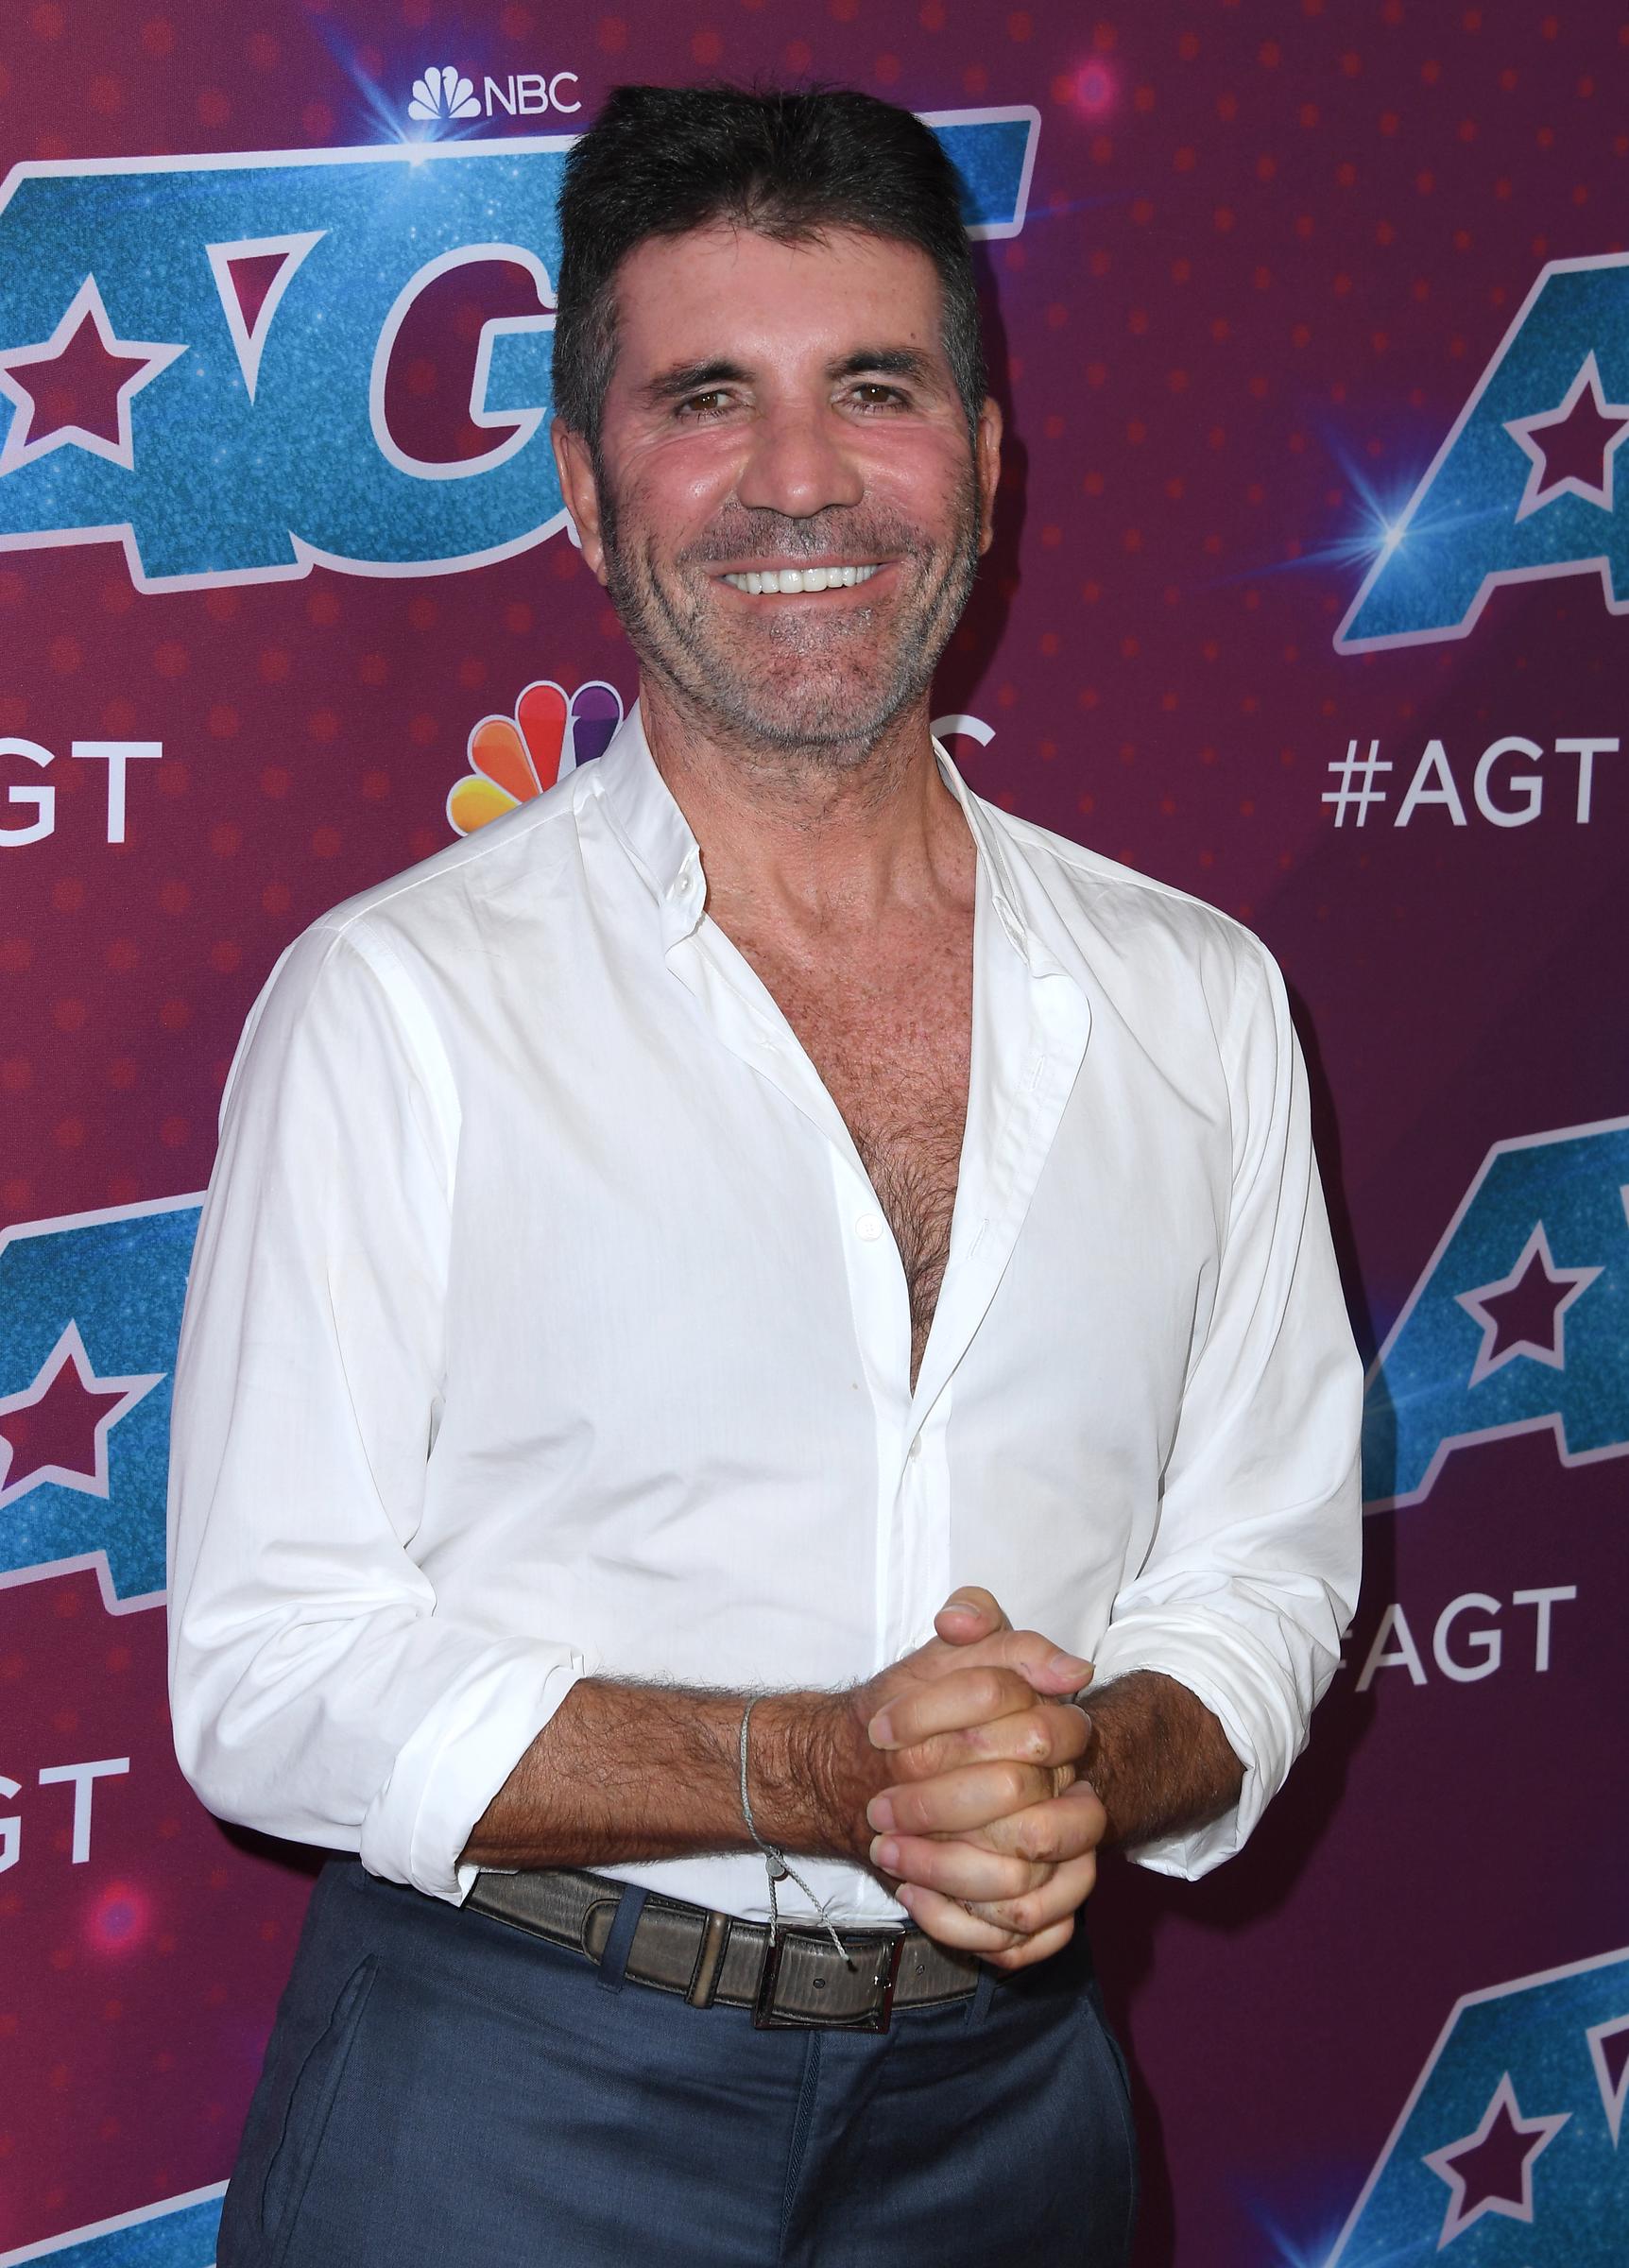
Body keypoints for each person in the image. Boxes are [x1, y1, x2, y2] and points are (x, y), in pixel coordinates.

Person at [167, 83, 1362, 2267]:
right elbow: (272, 1678)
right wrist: (822, 1771)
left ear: (985, 470)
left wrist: (1082, 1775)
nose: (800, 480)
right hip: (508, 2105)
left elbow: (1265, 1571)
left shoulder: (1201, 996)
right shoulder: (399, 1005)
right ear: (585, 495)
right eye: (706, 398)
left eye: (874, 391)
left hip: (1013, 2115)